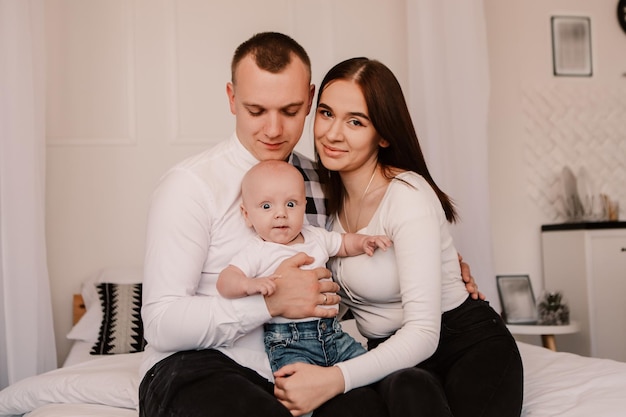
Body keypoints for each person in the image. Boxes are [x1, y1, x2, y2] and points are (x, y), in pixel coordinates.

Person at [139, 32, 481, 417]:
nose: (273, 130)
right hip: (199, 364)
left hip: (309, 364)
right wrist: (270, 303)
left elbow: (336, 286)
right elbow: (161, 323)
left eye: (290, 110)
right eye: (256, 110)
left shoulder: (320, 181)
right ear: (232, 99)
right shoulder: (189, 186)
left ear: (310, 100)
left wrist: (440, 270)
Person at [272, 57, 523, 417]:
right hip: (396, 359)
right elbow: (340, 299)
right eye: (326, 114)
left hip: (464, 345)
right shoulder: (320, 205)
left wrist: (333, 378)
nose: (332, 133)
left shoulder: (407, 194)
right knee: (402, 390)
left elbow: (423, 332)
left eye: (355, 121)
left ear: (384, 134)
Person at [217, 160, 390, 381]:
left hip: (333, 334)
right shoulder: (258, 250)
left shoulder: (315, 236)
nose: (281, 214)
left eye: (291, 204)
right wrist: (249, 284)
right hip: (289, 343)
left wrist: (364, 242)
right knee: (298, 389)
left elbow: (343, 243)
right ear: (247, 214)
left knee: (372, 375)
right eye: (267, 206)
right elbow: (225, 280)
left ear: (303, 205)